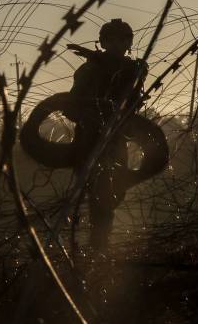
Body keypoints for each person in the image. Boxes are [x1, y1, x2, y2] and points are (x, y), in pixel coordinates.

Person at [67, 18, 148, 251]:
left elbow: (133, 102)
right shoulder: (89, 70)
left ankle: (100, 241)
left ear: (129, 43)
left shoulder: (134, 70)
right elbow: (72, 106)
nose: (116, 45)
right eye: (111, 40)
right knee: (96, 190)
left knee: (115, 190)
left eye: (122, 40)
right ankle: (97, 243)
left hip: (117, 137)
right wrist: (94, 113)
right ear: (102, 42)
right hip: (90, 137)